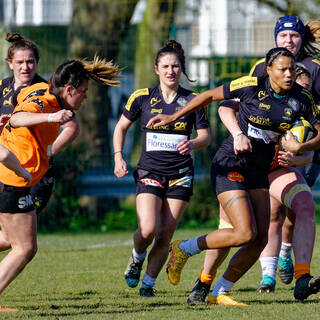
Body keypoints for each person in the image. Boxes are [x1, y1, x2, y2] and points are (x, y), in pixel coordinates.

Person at [147, 47, 320, 305]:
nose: (288, 74)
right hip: (231, 164)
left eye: (292, 70)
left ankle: (220, 291)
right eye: (282, 69)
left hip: (259, 171)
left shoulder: (301, 97)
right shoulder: (251, 85)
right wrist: (173, 116)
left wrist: (301, 148)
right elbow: (208, 97)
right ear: (269, 70)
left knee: (260, 238)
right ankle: (183, 248)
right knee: (243, 232)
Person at [186, 15, 320, 302]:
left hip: (279, 164)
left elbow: (312, 135)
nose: (289, 41)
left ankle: (301, 276)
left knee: (303, 204)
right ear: (272, 68)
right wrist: (237, 134)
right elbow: (225, 106)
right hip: (246, 162)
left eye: (294, 36)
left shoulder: (312, 78)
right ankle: (203, 282)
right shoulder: (258, 71)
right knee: (240, 230)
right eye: (283, 36)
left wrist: (299, 154)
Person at [0, 56, 120, 312]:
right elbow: (18, 118)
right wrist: (51, 117)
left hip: (15, 176)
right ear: (69, 90)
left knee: (13, 241)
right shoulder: (46, 102)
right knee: (24, 247)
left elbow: (14, 102)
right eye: (83, 92)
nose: (85, 98)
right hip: (13, 179)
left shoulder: (38, 89)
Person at [113, 40, 210, 298]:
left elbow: (206, 137)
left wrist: (193, 143)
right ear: (156, 68)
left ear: (182, 69)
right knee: (147, 229)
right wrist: (118, 157)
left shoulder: (193, 100)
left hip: (181, 175)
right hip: (149, 173)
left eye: (176, 66)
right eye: (166, 66)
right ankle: (136, 257)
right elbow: (121, 127)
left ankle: (148, 284)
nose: (171, 71)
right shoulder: (142, 97)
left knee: (165, 233)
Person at [0, 32, 56, 214]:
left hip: (34, 174)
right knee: (13, 236)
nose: (25, 67)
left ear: (37, 62)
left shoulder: (45, 91)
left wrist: (49, 150)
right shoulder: (2, 87)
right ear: (10, 64)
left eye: (30, 62)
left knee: (14, 235)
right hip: (5, 169)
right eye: (19, 62)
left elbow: (73, 126)